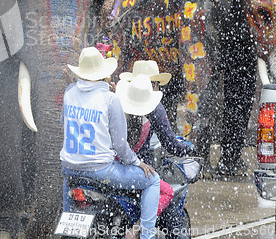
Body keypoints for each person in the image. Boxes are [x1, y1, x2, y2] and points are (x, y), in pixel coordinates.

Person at [60, 47, 160, 239]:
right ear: (103, 75)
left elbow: (64, 125)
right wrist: (138, 163)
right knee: (153, 180)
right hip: (101, 171)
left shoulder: (69, 92)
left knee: (69, 188)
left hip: (70, 169)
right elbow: (121, 147)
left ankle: (67, 229)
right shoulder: (110, 99)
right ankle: (147, 236)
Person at [118, 61, 195, 238]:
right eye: (156, 84)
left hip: (112, 168)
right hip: (139, 172)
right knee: (170, 208)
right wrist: (188, 148)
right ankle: (141, 229)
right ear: (153, 84)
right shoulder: (154, 107)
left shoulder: (118, 100)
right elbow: (171, 144)